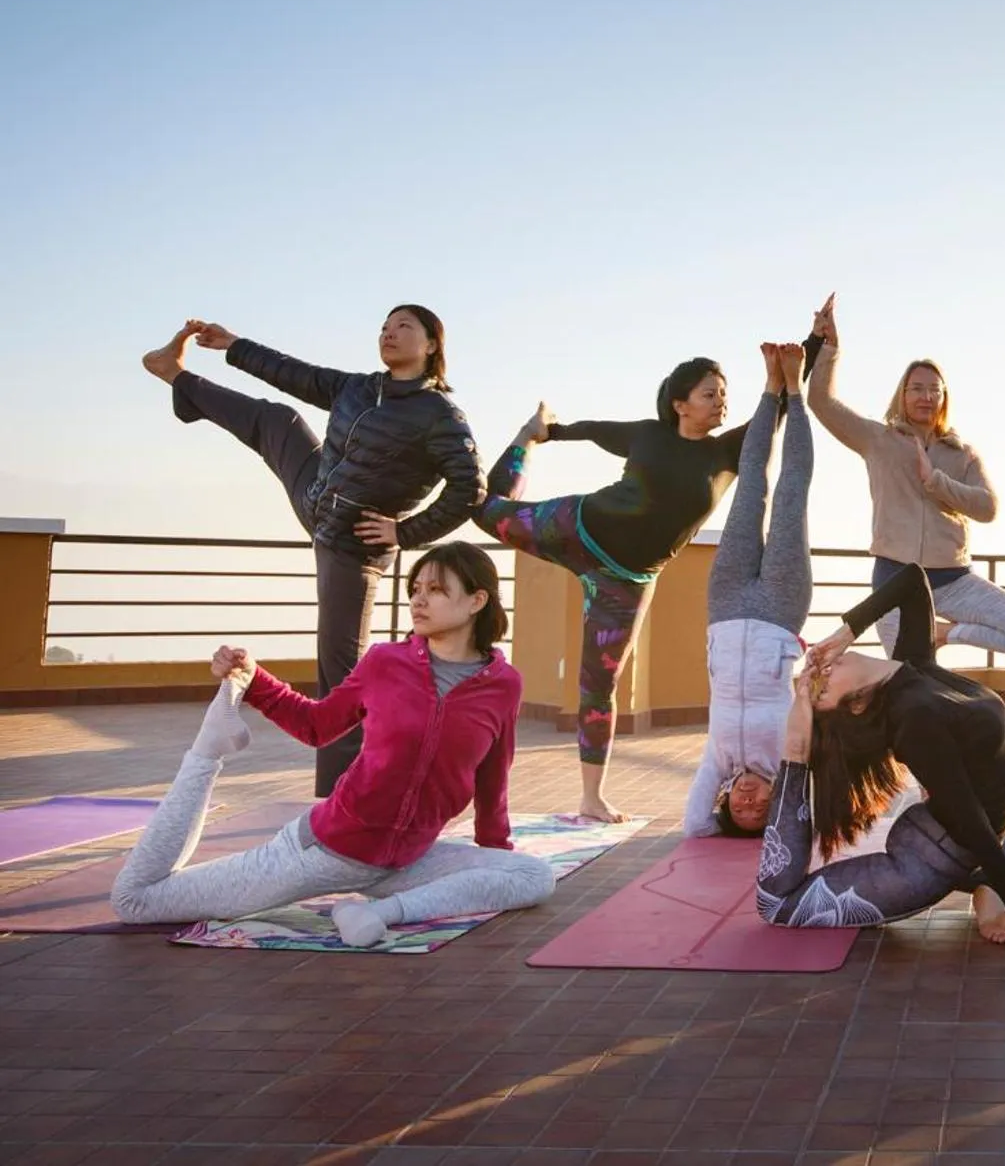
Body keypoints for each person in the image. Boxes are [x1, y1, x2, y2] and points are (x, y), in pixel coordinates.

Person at [108, 542, 555, 946]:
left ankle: (375, 913)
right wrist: (255, 680)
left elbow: (493, 776)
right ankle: (209, 748)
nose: (417, 599)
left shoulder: (503, 685)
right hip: (321, 853)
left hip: (406, 862)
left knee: (534, 876)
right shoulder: (385, 663)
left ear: (477, 600)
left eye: (435, 590)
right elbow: (316, 726)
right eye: (415, 587)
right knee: (135, 901)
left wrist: (494, 851)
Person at [143, 309, 483, 797]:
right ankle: (174, 375)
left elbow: (469, 487)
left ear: (432, 345)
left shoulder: (439, 415)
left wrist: (404, 532)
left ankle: (340, 797)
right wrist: (233, 344)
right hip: (315, 496)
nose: (389, 333)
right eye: (385, 326)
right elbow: (293, 372)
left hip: (352, 544)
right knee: (276, 418)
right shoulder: (359, 388)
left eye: (404, 327)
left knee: (342, 676)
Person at [474, 349, 773, 822]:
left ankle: (591, 798)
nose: (720, 403)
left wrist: (806, 352)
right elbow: (595, 430)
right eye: (709, 394)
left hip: (626, 581)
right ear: (680, 403)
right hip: (576, 527)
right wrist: (547, 433)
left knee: (599, 684)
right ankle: (520, 443)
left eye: (724, 395)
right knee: (487, 512)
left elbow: (772, 411)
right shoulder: (648, 435)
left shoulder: (726, 453)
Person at [753, 563, 1005, 945]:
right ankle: (996, 894)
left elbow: (914, 579)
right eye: (821, 688)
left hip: (963, 837)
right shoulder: (913, 718)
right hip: (927, 863)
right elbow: (971, 822)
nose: (821, 672)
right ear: (856, 706)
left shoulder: (915, 669)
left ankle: (988, 889)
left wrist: (846, 631)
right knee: (778, 904)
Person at [805, 293, 1005, 659]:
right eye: (917, 388)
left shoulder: (961, 452)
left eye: (934, 389)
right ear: (902, 395)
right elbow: (821, 401)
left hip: (954, 579)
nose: (926, 396)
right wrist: (829, 347)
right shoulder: (877, 439)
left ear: (944, 397)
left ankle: (945, 634)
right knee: (907, 681)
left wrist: (936, 481)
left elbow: (987, 508)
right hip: (894, 581)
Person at [683, 342, 812, 838]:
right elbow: (805, 822)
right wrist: (781, 821)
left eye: (739, 810)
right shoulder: (792, 760)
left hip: (726, 604)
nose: (749, 801)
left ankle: (769, 388)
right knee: (790, 492)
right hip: (779, 610)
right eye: (760, 810)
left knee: (749, 485)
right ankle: (794, 390)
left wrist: (722, 825)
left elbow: (695, 826)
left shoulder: (719, 759)